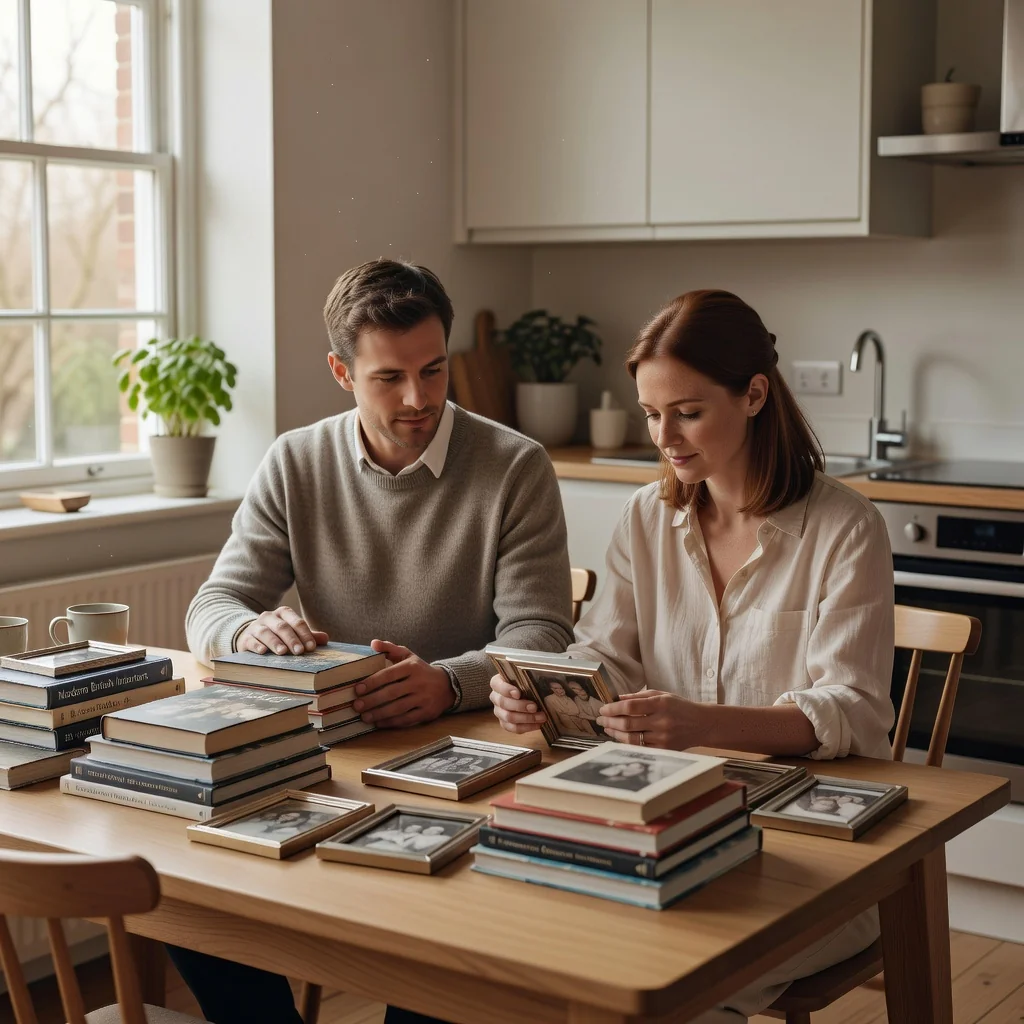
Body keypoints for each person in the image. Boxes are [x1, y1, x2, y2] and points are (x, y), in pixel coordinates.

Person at [171, 259, 574, 1024]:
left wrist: (446, 682)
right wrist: (250, 627)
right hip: (336, 762)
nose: (419, 399)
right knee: (187, 892)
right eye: (389, 378)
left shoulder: (515, 465)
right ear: (340, 371)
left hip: (469, 766)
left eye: (433, 370)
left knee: (435, 957)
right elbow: (213, 605)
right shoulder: (296, 460)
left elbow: (542, 636)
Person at [490, 289, 895, 1023]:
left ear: (753, 395)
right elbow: (603, 658)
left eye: (687, 411)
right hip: (674, 830)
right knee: (530, 949)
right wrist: (543, 695)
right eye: (651, 413)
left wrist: (700, 723)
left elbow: (854, 714)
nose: (665, 436)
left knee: (663, 991)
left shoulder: (845, 528)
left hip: (818, 859)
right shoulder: (647, 518)